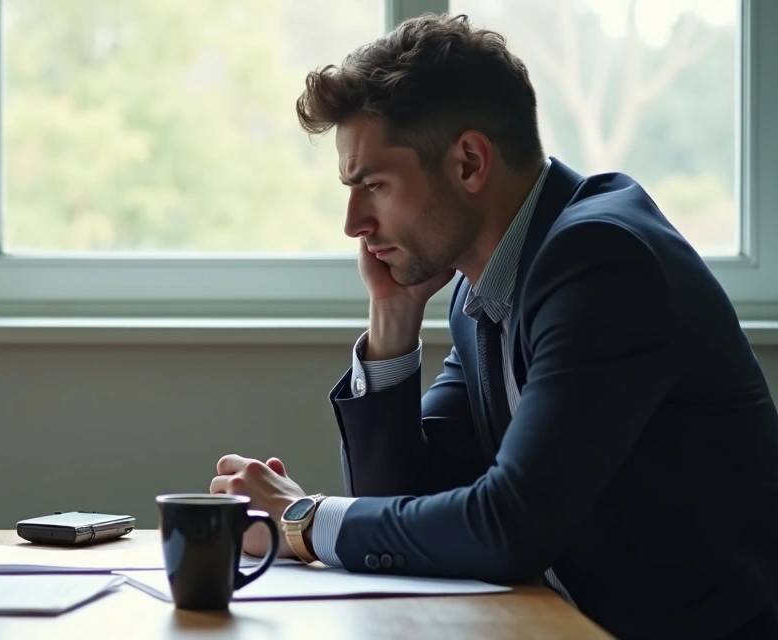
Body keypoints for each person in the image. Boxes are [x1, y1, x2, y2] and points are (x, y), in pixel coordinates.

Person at [210, 13, 778, 640]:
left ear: (470, 162)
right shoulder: (486, 287)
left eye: (373, 183)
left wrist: (304, 519)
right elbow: (406, 496)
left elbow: (510, 525)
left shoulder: (600, 262)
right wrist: (393, 316)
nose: (353, 223)